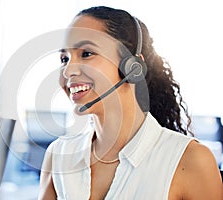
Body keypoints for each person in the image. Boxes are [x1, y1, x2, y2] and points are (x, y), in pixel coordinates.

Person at [39, 6, 222, 199]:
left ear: (132, 67)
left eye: (86, 53)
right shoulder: (58, 155)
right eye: (64, 59)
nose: (68, 71)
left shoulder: (191, 160)